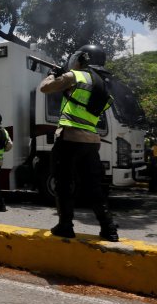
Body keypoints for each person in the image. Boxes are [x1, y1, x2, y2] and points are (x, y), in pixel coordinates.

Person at [39, 44, 119, 242]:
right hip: (92, 141)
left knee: (63, 183)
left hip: (70, 138)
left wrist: (52, 74)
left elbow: (45, 88)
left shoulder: (75, 76)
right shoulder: (103, 86)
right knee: (93, 187)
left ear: (82, 58)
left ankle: (65, 226)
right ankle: (109, 229)